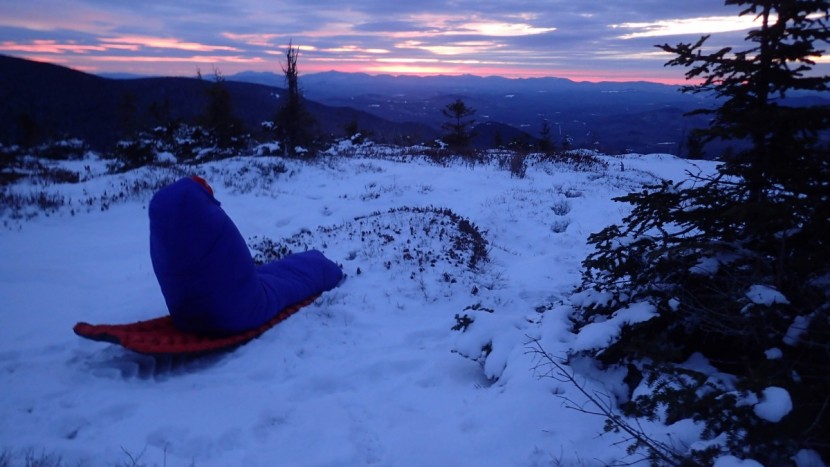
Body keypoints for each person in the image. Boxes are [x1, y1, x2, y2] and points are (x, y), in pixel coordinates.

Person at [149, 176, 342, 336]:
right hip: (238, 314)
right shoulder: (215, 223)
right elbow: (238, 264)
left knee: (269, 274)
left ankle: (317, 261)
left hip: (185, 318)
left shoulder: (161, 236)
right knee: (296, 276)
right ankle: (324, 267)